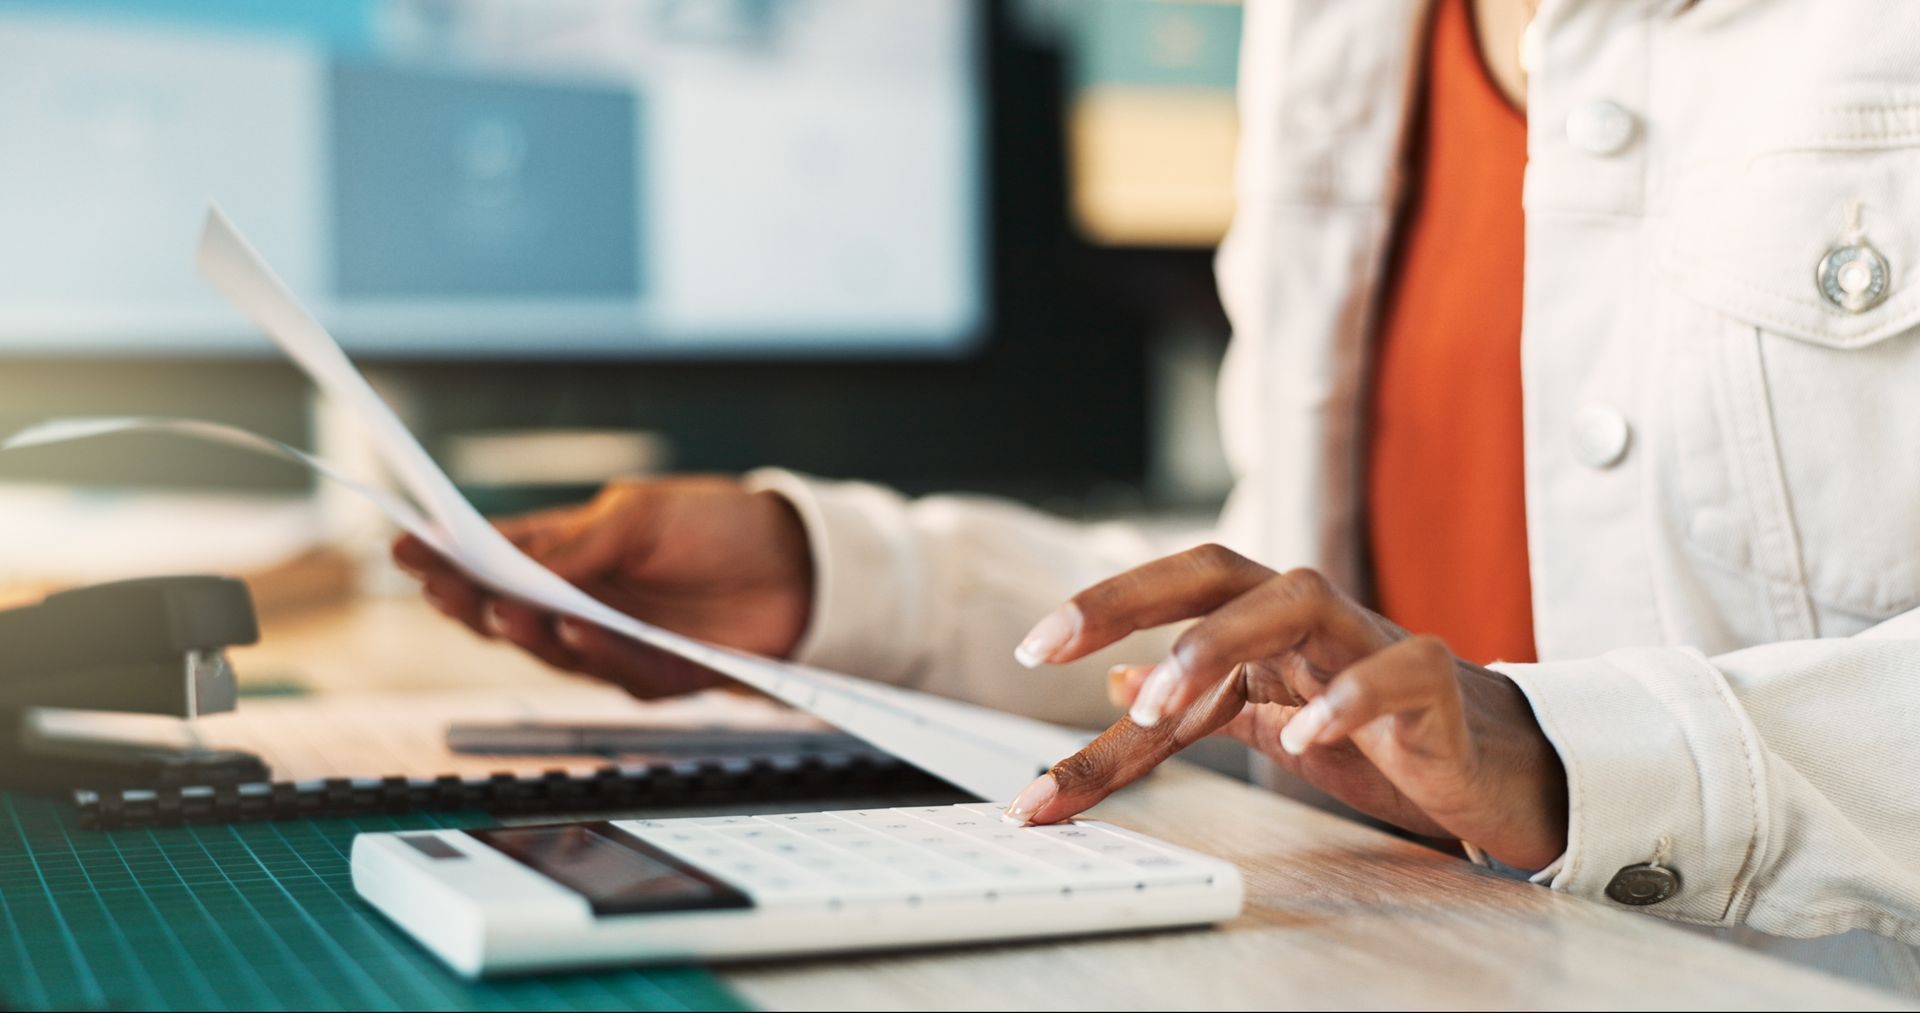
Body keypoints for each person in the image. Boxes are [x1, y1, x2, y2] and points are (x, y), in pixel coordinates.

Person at [395, 0, 1920, 982]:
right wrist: (833, 580)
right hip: (1389, 956)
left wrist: (1571, 756)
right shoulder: (1340, 31)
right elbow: (1297, 616)